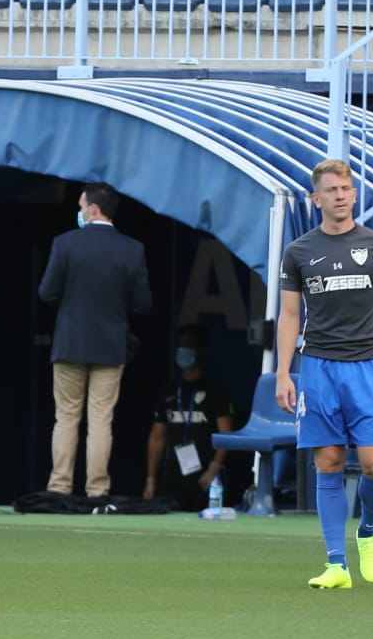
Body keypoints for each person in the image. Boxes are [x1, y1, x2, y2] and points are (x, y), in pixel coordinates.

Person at [276, 158, 373, 591]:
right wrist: (284, 373)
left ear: (354, 194)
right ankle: (336, 564)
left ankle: (368, 532)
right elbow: (289, 314)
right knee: (329, 461)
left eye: (346, 188)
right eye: (331, 189)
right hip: (317, 367)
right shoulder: (299, 251)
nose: (340, 195)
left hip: (367, 367)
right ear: (316, 199)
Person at [37, 181, 153, 499]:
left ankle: (59, 486)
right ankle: (97, 489)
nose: (79, 211)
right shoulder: (132, 249)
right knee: (101, 418)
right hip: (111, 344)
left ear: (93, 208)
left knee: (66, 416)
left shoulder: (65, 243)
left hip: (70, 343)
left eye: (80, 206)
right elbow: (143, 304)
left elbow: (46, 292)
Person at [143, 324, 236, 511]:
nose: (183, 350)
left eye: (189, 345)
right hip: (172, 476)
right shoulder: (168, 391)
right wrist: (151, 480)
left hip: (205, 477)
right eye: (181, 345)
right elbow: (157, 437)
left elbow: (227, 434)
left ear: (203, 350)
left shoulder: (216, 391)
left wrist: (214, 468)